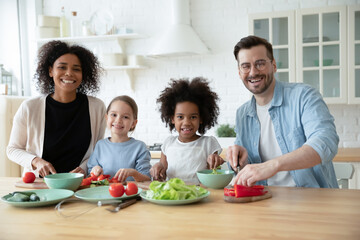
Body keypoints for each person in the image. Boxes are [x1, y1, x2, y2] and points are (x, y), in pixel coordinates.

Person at [227, 35, 339, 188]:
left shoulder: (304, 96)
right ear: (239, 72)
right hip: (263, 200)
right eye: (246, 66)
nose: (253, 72)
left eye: (260, 64)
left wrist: (273, 165)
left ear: (273, 65)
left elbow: (325, 142)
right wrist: (241, 160)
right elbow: (245, 170)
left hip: (312, 201)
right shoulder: (242, 114)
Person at [7, 40, 106, 177]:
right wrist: (36, 161)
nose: (69, 73)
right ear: (50, 71)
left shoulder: (97, 107)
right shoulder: (30, 107)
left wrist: (84, 168)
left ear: (83, 75)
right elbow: (13, 149)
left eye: (76, 69)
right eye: (62, 67)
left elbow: (99, 150)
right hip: (41, 184)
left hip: (81, 184)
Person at [150, 77, 224, 184]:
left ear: (201, 118)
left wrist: (215, 162)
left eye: (193, 117)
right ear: (172, 119)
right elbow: (162, 170)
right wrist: (158, 169)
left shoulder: (208, 143)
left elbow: (214, 175)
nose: (186, 122)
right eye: (180, 117)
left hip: (200, 194)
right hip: (174, 195)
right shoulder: (168, 143)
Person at [87, 95, 151, 182]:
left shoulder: (140, 147)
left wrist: (133, 173)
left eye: (125, 117)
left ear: (134, 123)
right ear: (106, 118)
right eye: (114, 115)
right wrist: (95, 169)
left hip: (132, 195)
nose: (118, 120)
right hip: (105, 194)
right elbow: (90, 173)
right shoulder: (100, 145)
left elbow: (147, 179)